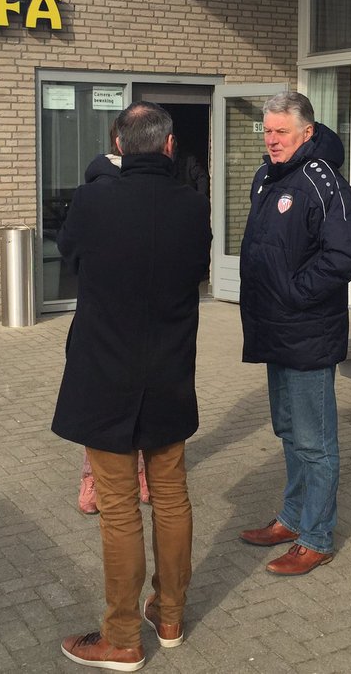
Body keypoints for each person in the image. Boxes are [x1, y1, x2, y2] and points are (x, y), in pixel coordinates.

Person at [54, 101, 212, 671]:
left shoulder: (93, 199)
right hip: (168, 373)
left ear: (119, 145)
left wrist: (102, 173)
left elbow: (70, 255)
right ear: (169, 146)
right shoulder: (192, 206)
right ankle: (169, 616)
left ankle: (121, 639)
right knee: (171, 496)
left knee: (119, 507)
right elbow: (197, 268)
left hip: (105, 374)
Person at [238, 90, 351, 576]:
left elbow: (345, 256)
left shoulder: (324, 181)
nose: (271, 140)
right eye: (267, 131)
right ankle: (291, 519)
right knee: (288, 431)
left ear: (306, 132)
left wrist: (294, 293)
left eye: (281, 132)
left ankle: (317, 537)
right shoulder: (267, 177)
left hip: (308, 330)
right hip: (274, 329)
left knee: (316, 442)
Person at [77, 120, 149, 515]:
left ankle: (140, 472)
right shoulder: (98, 189)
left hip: (144, 317)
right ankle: (93, 480)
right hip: (104, 317)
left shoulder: (154, 186)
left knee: (143, 401)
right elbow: (73, 250)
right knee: (102, 404)